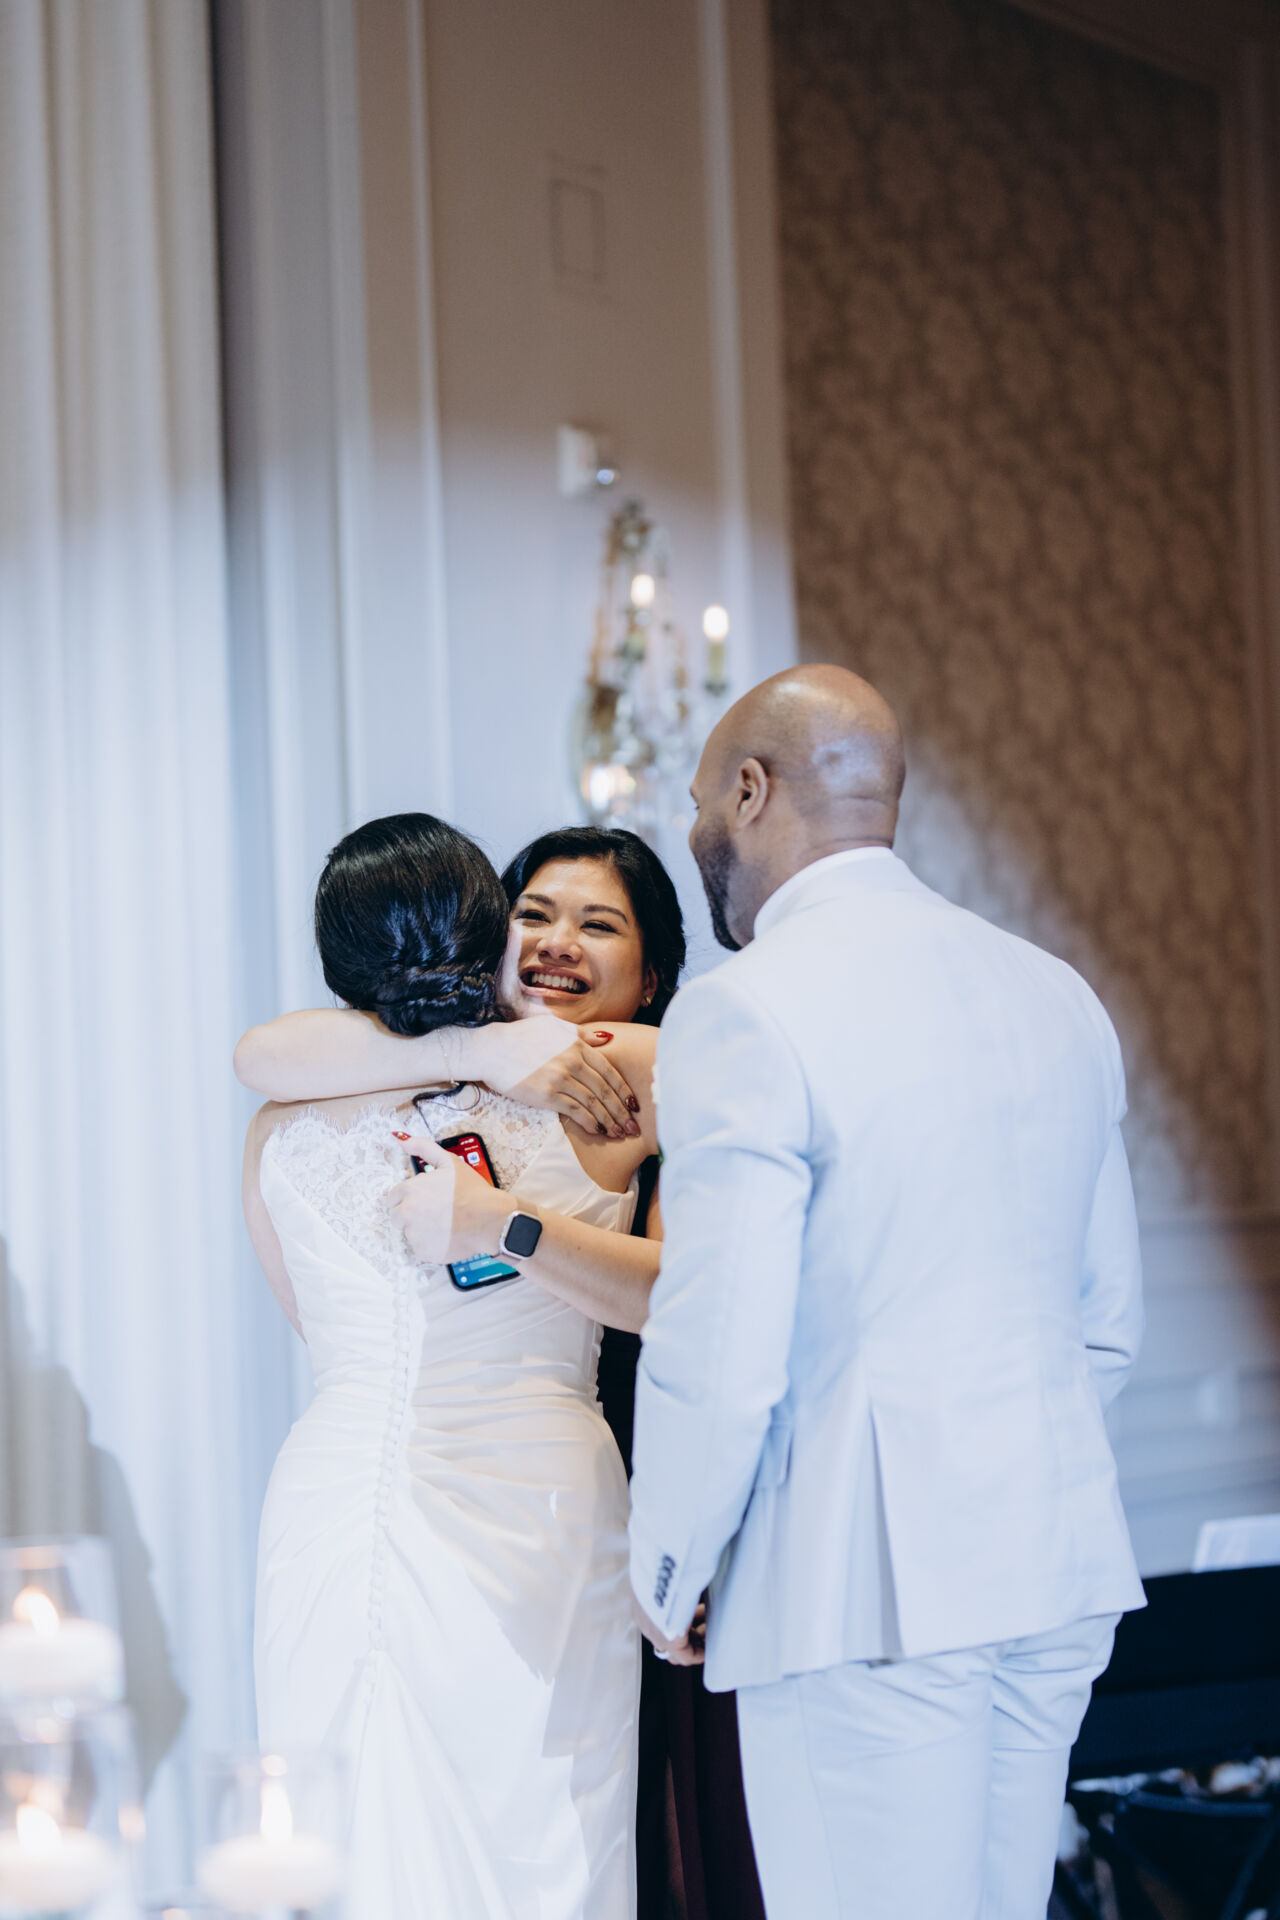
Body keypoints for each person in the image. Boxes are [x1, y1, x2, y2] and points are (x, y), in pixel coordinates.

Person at [628, 665, 1146, 1920]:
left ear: (750, 792)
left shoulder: (743, 1009)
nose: (695, 836)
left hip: (858, 1585)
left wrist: (669, 1567)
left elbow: (722, 1349)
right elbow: (1105, 1325)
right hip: (1050, 1564)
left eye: (698, 804)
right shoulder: (1053, 993)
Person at [237, 824, 767, 1920]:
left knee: (363, 1828)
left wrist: (500, 1209)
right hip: (503, 1487)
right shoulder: (595, 1072)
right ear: (487, 929)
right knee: (531, 1835)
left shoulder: (281, 1125)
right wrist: (474, 1054)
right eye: (534, 916)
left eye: (596, 924)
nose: (556, 941)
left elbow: (307, 1307)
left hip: (362, 1489)